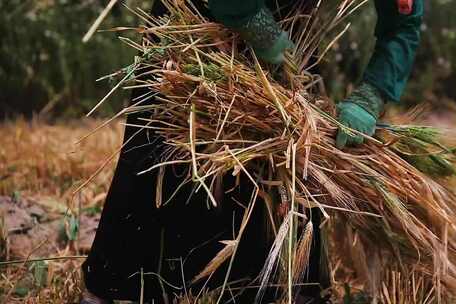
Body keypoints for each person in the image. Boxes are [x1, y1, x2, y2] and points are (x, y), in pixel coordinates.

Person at [80, 0, 423, 303]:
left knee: (291, 157)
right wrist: (260, 32)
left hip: (290, 31)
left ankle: (283, 285)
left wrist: (371, 95)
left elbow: (403, 24)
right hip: (195, 22)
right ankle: (112, 283)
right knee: (164, 151)